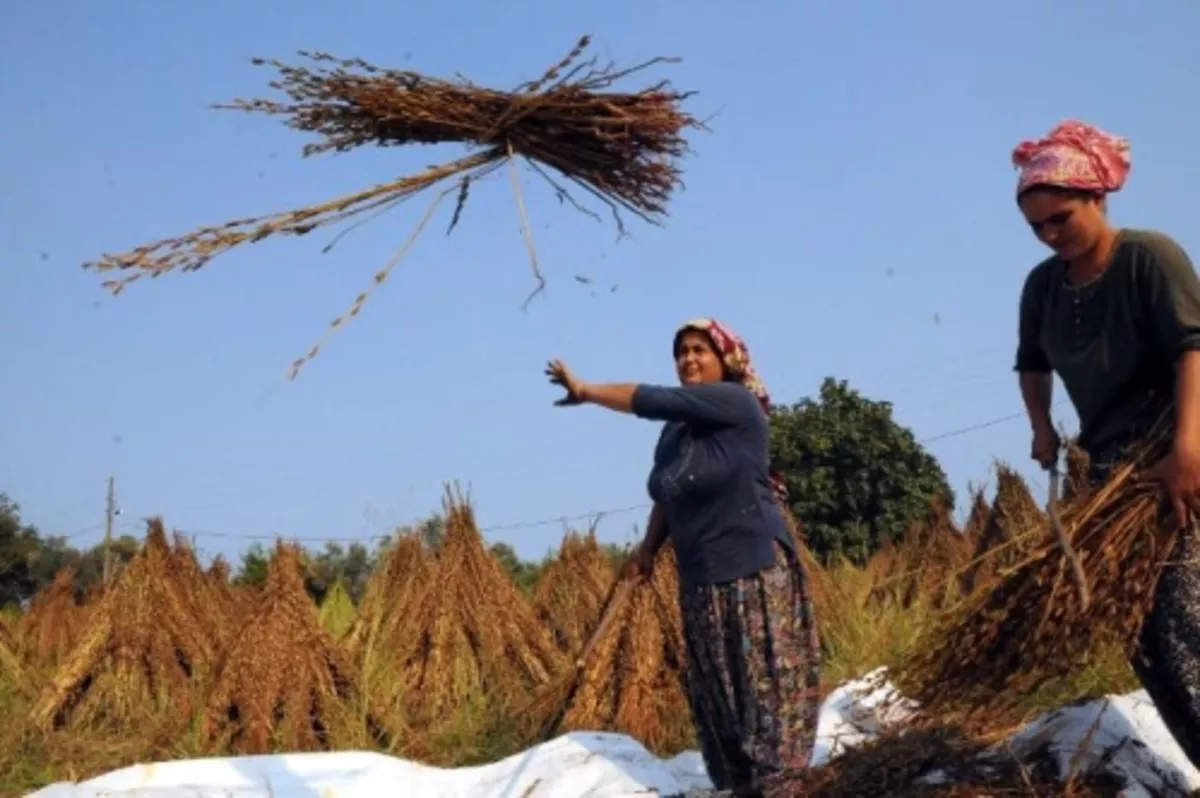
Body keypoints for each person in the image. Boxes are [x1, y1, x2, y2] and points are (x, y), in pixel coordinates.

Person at [545, 318, 821, 797]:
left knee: (766, 703)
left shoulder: (736, 403)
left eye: (699, 350)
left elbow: (649, 398)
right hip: (701, 583)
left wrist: (587, 391)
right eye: (681, 352)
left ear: (725, 360)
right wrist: (648, 547)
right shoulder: (676, 433)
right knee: (723, 711)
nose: (688, 359)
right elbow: (669, 491)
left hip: (753, 575)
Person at [1013, 119, 1200, 767]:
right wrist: (1041, 425)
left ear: (1097, 198)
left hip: (1174, 460)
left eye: (1059, 218)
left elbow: (1192, 349)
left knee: (1188, 618)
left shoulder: (1149, 257)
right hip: (1109, 475)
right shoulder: (1043, 286)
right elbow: (1031, 362)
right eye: (1036, 226)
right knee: (1144, 633)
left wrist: (1187, 451)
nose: (1049, 235)